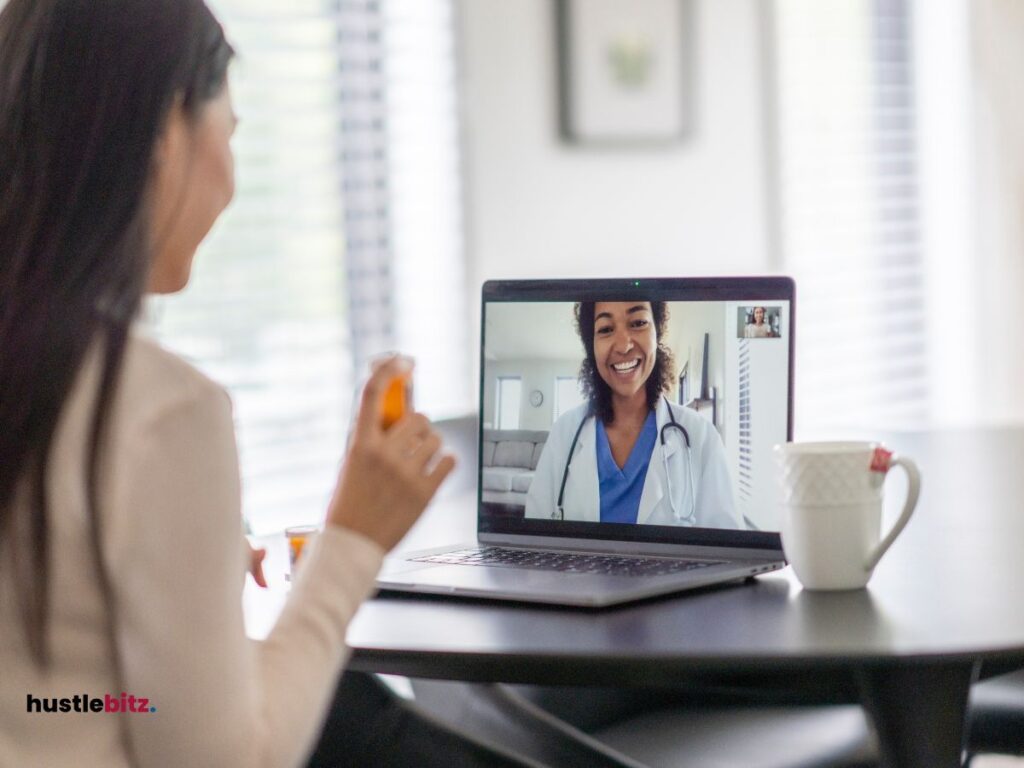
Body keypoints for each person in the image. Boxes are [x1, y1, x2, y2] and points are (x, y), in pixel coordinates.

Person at [0, 2, 523, 766]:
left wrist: (186, 561)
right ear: (164, 138)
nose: (233, 179)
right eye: (231, 131)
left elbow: (51, 690)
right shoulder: (159, 410)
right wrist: (354, 537)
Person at [525, 301, 740, 529]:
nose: (624, 345)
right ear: (592, 346)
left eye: (638, 323)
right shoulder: (564, 433)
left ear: (657, 333)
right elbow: (533, 536)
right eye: (606, 329)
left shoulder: (701, 437)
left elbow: (728, 553)